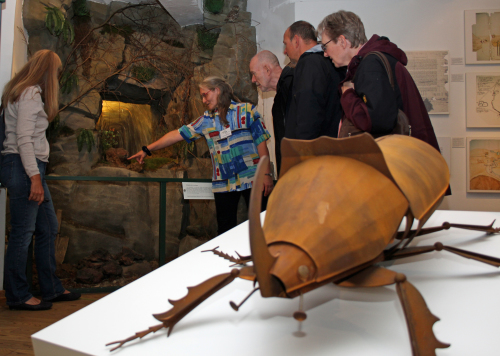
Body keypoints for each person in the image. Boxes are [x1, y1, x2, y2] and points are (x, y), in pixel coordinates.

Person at [129, 76, 274, 236]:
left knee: (262, 226)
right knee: (225, 231)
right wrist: (147, 149)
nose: (203, 100)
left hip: (254, 178)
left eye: (205, 95)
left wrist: (266, 174)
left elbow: (261, 141)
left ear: (217, 91)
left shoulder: (247, 110)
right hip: (224, 184)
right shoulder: (206, 121)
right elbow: (175, 135)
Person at [1, 50, 81, 311]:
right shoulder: (30, 93)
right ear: (47, 70)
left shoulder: (22, 91)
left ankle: (51, 288)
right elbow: (23, 139)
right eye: (56, 71)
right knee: (23, 234)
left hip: (31, 169)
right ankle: (17, 295)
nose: (57, 76)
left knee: (48, 227)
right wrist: (34, 178)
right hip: (25, 168)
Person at [317, 10, 441, 149]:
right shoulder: (376, 59)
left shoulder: (370, 64)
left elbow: (378, 121)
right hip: (410, 153)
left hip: (397, 157)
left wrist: (348, 95)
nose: (325, 54)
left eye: (325, 46)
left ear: (342, 41)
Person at [282, 21, 344, 140]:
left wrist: (303, 150)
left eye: (286, 44)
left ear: (296, 40)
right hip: (332, 145)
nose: (285, 51)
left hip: (315, 150)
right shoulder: (330, 61)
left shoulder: (310, 63)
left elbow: (308, 112)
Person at [249, 50, 294, 176]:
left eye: (254, 74)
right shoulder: (281, 95)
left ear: (267, 69)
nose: (253, 80)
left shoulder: (294, 85)